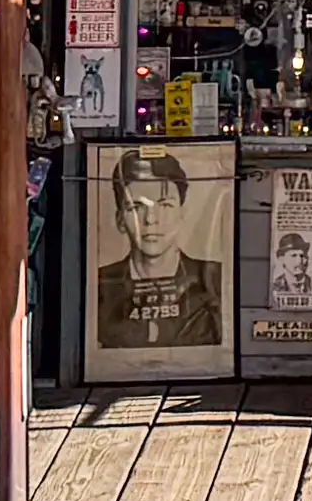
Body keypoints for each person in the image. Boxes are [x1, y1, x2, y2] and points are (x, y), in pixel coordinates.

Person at [93, 145, 220, 354]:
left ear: (182, 213)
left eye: (165, 205)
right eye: (135, 207)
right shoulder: (99, 286)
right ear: (120, 220)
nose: (151, 219)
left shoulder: (214, 280)